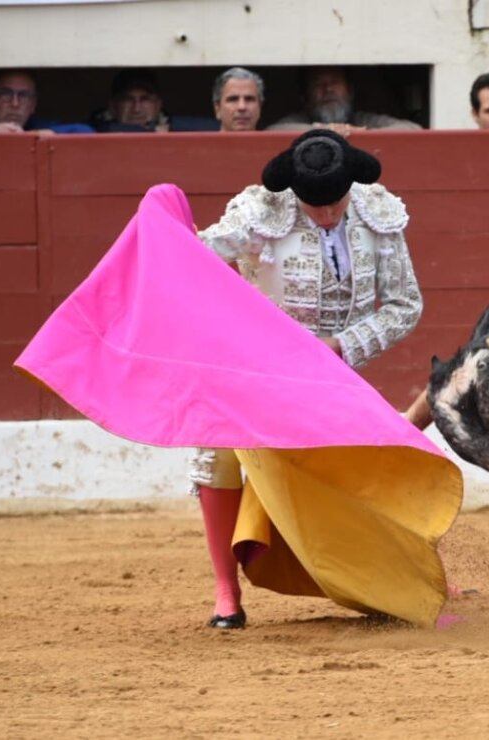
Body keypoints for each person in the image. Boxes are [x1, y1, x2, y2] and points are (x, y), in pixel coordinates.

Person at [192, 129, 424, 628]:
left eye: (335, 202)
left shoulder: (378, 213)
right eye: (314, 205)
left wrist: (342, 346)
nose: (327, 214)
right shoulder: (259, 214)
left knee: (385, 456)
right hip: (259, 369)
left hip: (334, 373)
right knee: (217, 451)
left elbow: (405, 305)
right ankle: (225, 591)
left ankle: (413, 572)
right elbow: (194, 258)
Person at [268, 66, 421, 134]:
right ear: (305, 98)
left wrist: (361, 133)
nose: (328, 89)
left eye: (335, 82)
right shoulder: (300, 119)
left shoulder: (362, 120)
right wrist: (328, 131)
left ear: (350, 92)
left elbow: (413, 129)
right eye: (318, 84)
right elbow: (273, 131)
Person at [90, 68, 217, 132]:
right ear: (113, 106)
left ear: (158, 104)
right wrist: (151, 133)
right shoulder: (94, 130)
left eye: (145, 99)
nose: (136, 109)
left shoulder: (175, 126)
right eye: (128, 100)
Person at [0, 69, 93, 134]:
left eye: (23, 96)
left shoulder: (36, 126)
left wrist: (30, 136)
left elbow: (85, 131)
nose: (15, 104)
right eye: (5, 94)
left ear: (33, 105)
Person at [212, 66, 264, 132]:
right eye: (233, 99)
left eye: (249, 99)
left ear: (260, 107)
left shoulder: (274, 139)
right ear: (217, 109)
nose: (242, 107)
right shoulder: (201, 139)